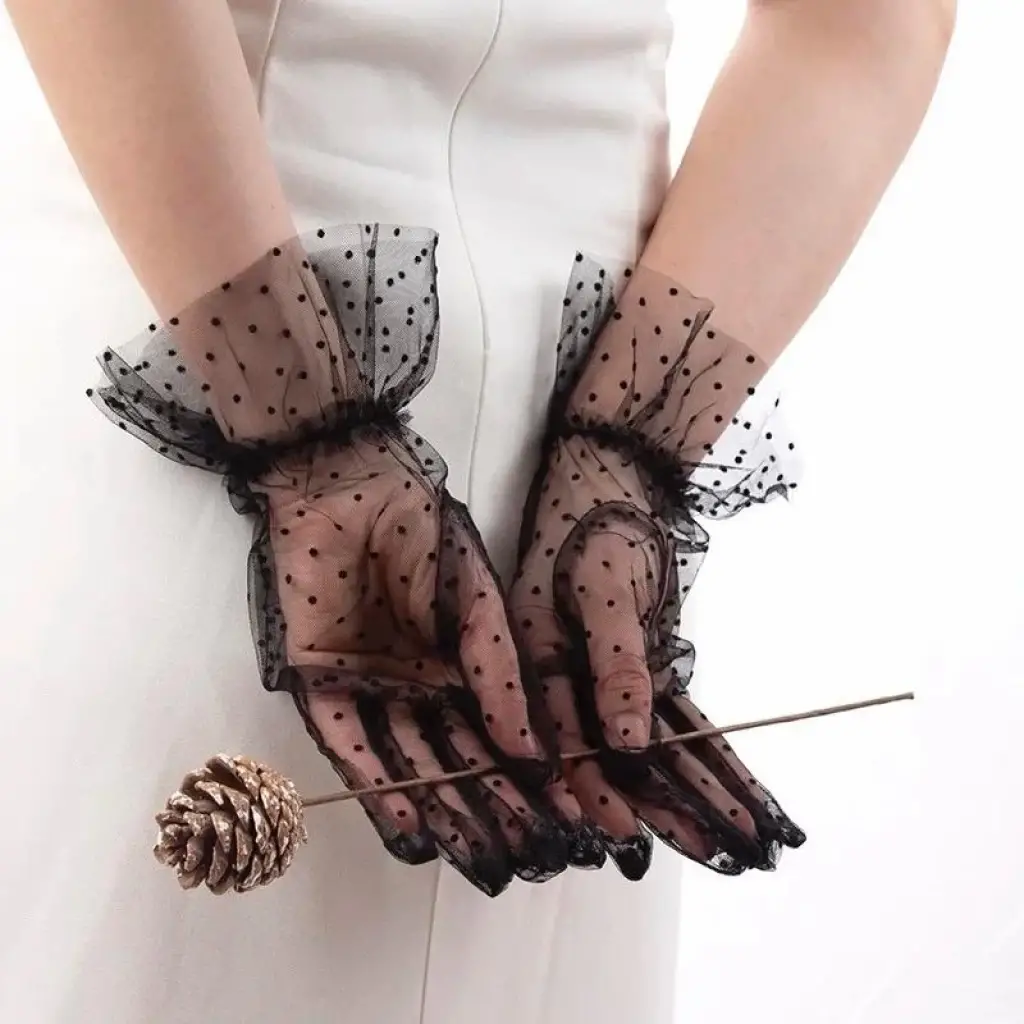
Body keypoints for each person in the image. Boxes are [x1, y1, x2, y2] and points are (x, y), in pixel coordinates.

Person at [3, 1, 954, 1021]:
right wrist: (625, 444)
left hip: (237, 356)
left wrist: (317, 431)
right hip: (549, 466)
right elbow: (866, 26)